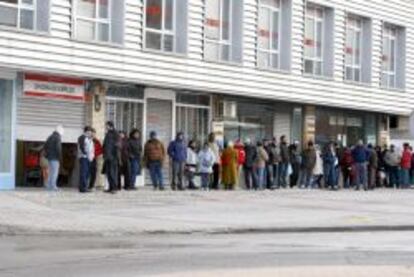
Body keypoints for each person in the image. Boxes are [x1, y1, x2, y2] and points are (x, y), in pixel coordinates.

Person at [44, 125, 63, 191]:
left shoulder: (50, 137)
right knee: (54, 172)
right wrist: (60, 157)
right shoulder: (58, 137)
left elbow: (45, 146)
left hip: (49, 158)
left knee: (51, 172)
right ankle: (53, 186)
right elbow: (58, 148)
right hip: (55, 157)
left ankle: (49, 186)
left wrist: (47, 155)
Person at [103, 121, 119, 194]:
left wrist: (112, 155)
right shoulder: (108, 133)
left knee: (112, 173)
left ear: (110, 126)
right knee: (108, 173)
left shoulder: (115, 134)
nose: (105, 127)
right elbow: (106, 145)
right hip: (107, 157)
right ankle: (110, 187)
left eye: (106, 125)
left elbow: (117, 146)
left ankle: (114, 188)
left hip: (112, 157)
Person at [77, 126, 94, 193]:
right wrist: (87, 154)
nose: (91, 133)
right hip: (83, 157)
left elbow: (91, 149)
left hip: (88, 158)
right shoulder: (82, 137)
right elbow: (82, 148)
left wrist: (91, 156)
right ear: (87, 131)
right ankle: (83, 188)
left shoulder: (88, 138)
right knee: (83, 173)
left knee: (86, 173)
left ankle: (84, 187)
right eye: (90, 131)